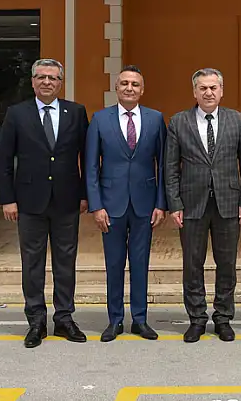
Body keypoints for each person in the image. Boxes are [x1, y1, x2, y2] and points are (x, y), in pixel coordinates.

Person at [0, 58, 89, 348]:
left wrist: (86, 194)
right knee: (32, 263)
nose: (47, 82)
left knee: (65, 263)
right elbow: (3, 160)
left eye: (53, 78)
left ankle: (64, 318)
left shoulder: (75, 112)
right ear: (33, 81)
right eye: (41, 77)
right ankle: (36, 320)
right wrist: (7, 198)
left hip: (67, 201)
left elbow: (87, 156)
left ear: (61, 83)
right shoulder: (17, 114)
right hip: (28, 202)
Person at [164, 67, 241, 343]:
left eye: (213, 87)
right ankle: (197, 319)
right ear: (194, 92)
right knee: (193, 264)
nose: (208, 92)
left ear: (221, 91)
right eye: (202, 88)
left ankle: (223, 318)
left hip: (228, 202)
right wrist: (174, 204)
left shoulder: (236, 120)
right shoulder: (179, 122)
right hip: (192, 204)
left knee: (226, 263)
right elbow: (170, 167)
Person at [84, 65, 167, 342]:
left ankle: (140, 320)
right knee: (114, 263)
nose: (129, 88)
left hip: (145, 204)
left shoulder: (156, 119)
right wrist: (96, 205)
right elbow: (91, 166)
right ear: (116, 88)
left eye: (135, 84)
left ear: (142, 90)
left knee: (141, 263)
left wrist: (161, 203)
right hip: (111, 205)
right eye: (124, 84)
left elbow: (163, 164)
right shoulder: (100, 119)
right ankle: (115, 320)